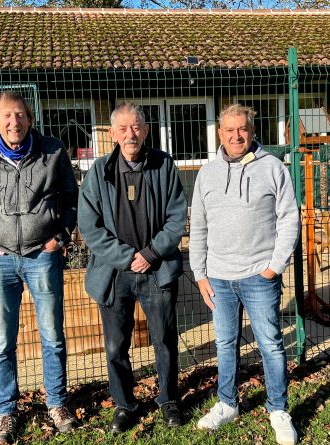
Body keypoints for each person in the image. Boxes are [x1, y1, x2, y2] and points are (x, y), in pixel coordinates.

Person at [0, 91, 79, 445]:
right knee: (1, 342)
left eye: (21, 115)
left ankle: (56, 404)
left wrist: (61, 235)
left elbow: (71, 197)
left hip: (42, 255)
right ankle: (6, 412)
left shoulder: (53, 151)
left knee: (53, 336)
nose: (15, 122)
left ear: (30, 119)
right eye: (7, 116)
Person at [189, 104, 300, 445]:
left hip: (258, 276)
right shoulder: (207, 173)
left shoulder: (272, 168)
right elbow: (199, 225)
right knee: (225, 343)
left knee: (270, 344)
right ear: (219, 133)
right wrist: (200, 273)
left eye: (243, 129)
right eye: (229, 130)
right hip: (219, 278)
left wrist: (274, 267)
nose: (236, 135)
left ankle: (278, 409)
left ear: (252, 132)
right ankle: (227, 403)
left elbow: (289, 219)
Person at [78, 102, 187, 433]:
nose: (131, 134)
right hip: (114, 272)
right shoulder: (98, 172)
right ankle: (125, 404)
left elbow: (177, 216)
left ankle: (169, 400)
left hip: (157, 269)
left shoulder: (164, 165)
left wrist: (151, 253)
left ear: (146, 130)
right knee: (115, 346)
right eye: (123, 128)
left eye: (136, 127)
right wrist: (127, 257)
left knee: (165, 339)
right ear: (112, 134)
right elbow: (90, 227)